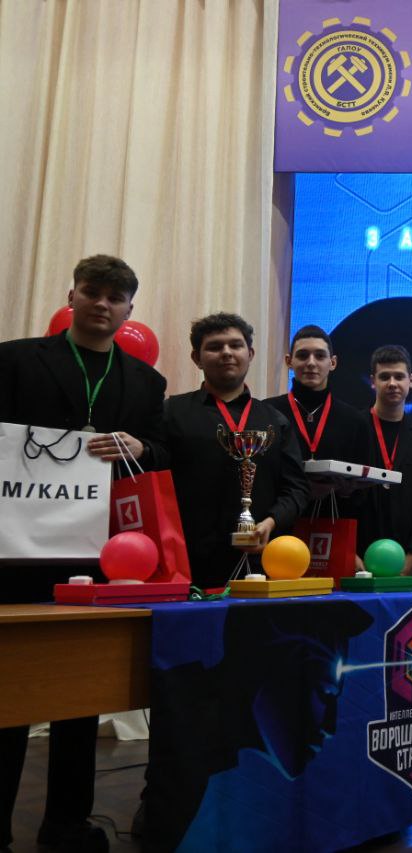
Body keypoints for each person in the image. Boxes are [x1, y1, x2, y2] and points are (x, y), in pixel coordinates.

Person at [0, 254, 166, 853]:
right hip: (17, 552)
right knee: (10, 692)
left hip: (102, 555)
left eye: (115, 297)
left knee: (82, 693)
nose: (102, 304)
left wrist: (141, 446)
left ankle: (66, 824)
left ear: (129, 310)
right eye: (92, 292)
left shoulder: (146, 382)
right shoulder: (15, 359)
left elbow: (161, 451)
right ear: (72, 295)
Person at [163, 313, 310, 589]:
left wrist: (271, 522)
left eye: (235, 345)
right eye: (214, 346)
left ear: (250, 354)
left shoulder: (275, 421)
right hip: (188, 566)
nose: (226, 353)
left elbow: (296, 489)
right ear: (196, 358)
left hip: (261, 565)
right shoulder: (171, 413)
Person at [263, 325, 371, 524]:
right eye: (302, 355)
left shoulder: (355, 420)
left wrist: (347, 491)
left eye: (320, 356)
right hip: (277, 525)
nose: (311, 363)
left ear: (332, 362)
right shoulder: (266, 412)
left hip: (334, 525)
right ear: (289, 361)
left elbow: (364, 495)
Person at [357, 345, 412, 575]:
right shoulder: (352, 428)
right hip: (358, 556)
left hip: (409, 559)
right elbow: (339, 495)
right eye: (384, 377)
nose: (392, 383)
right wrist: (348, 552)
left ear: (411, 380)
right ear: (373, 381)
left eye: (399, 376)